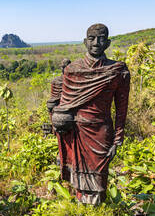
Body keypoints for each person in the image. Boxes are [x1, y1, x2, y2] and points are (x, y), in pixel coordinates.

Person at [52, 23, 130, 205]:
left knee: (100, 178)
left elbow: (121, 110)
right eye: (92, 38)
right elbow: (64, 105)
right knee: (77, 174)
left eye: (101, 38)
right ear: (85, 42)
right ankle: (81, 208)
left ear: (108, 43)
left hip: (101, 131)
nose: (96, 42)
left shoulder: (118, 71)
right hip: (77, 130)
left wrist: (117, 140)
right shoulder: (73, 70)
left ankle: (97, 210)